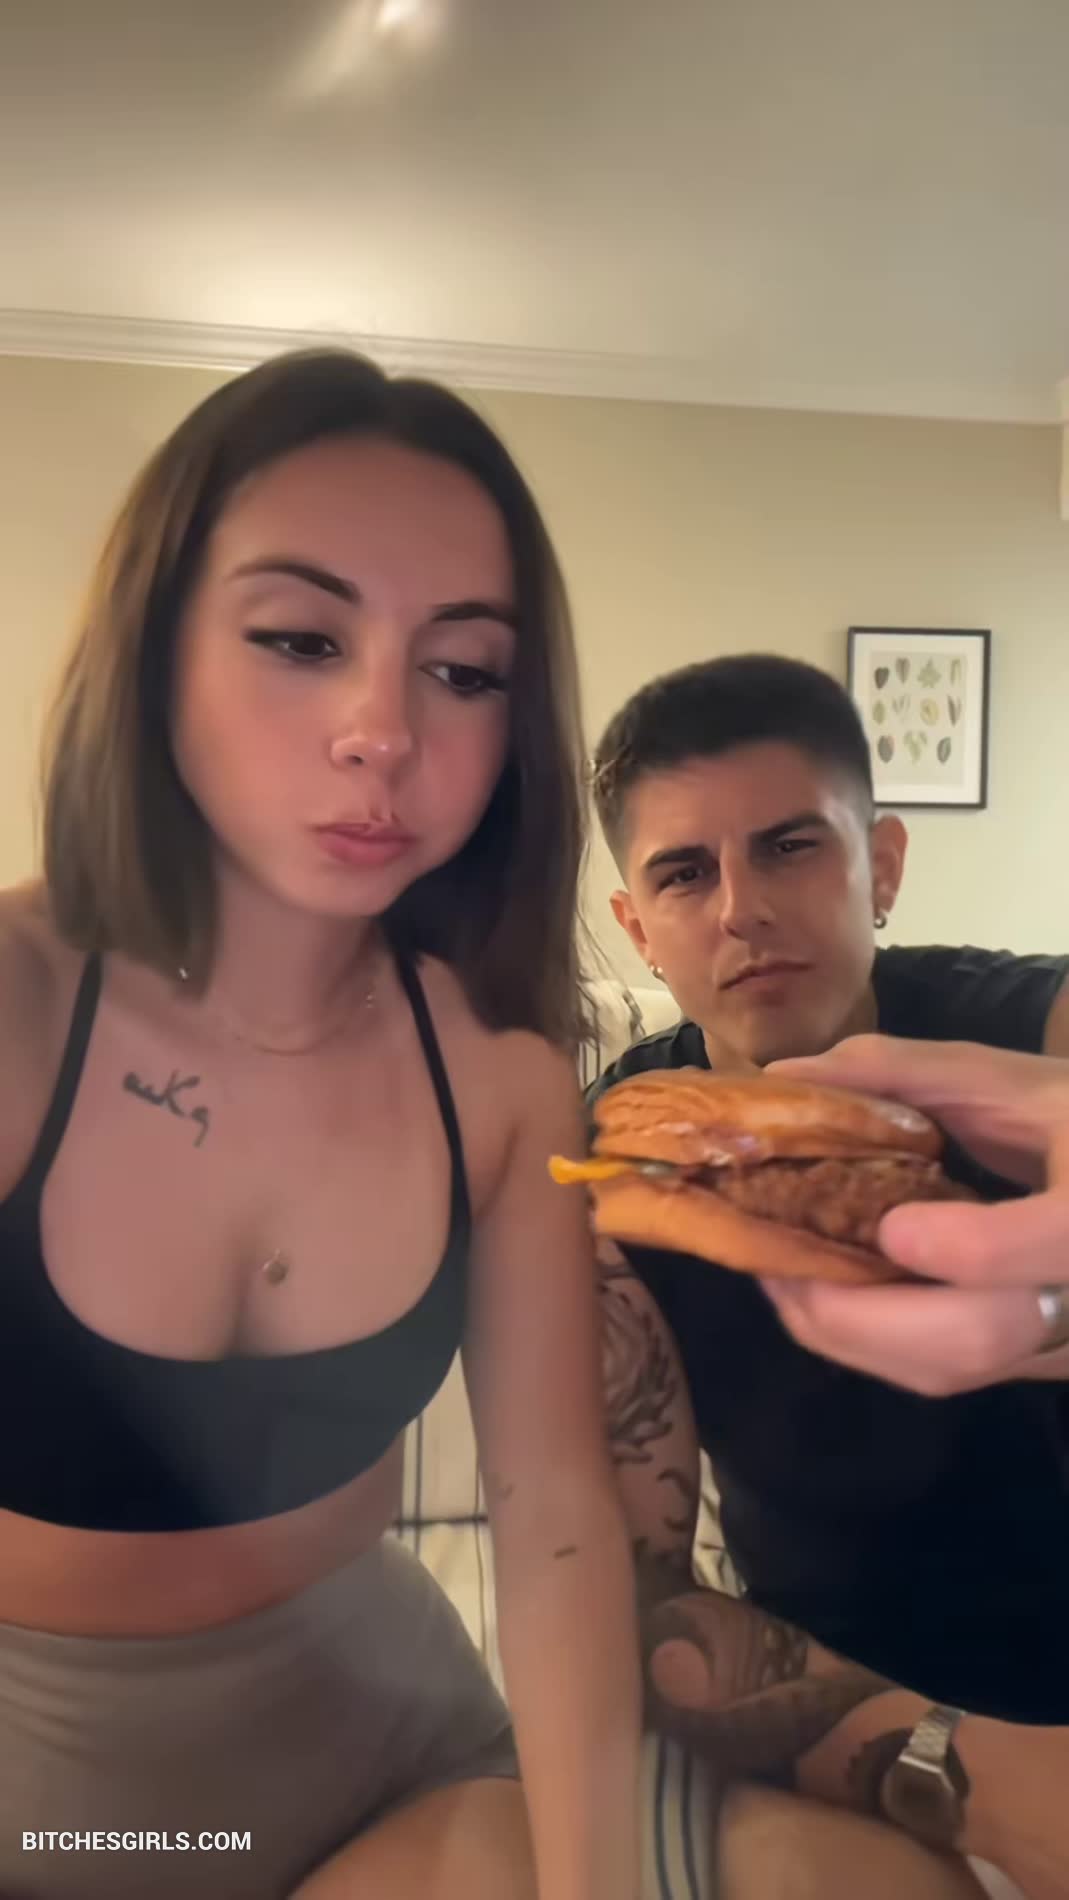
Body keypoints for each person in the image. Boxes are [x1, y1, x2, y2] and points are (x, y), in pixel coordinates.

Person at [0, 349, 639, 1900]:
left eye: (464, 670)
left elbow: (553, 1518)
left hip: (395, 1761)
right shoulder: (16, 1005)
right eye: (300, 639)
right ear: (155, 651)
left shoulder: (502, 1079)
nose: (381, 733)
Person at [583, 655, 1069, 1881]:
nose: (740, 909)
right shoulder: (615, 1173)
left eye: (790, 847)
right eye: (684, 873)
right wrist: (975, 1778)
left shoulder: (1016, 1033)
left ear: (882, 865)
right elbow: (631, 1599)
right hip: (859, 1713)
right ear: (636, 928)